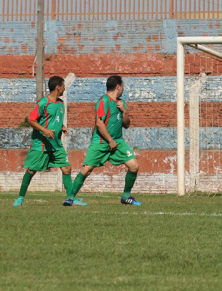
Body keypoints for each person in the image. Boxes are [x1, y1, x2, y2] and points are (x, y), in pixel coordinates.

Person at [67, 75, 141, 206]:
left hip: (118, 141)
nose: (123, 89)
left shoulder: (121, 103)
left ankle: (126, 196)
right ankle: (70, 198)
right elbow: (99, 124)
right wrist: (110, 140)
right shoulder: (103, 101)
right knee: (86, 169)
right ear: (118, 87)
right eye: (122, 86)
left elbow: (127, 125)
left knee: (134, 166)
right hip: (101, 141)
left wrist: (124, 111)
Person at [13, 76, 79, 206]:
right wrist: (45, 130)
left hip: (56, 145)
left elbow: (56, 120)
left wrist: (63, 127)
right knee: (31, 170)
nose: (64, 88)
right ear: (58, 87)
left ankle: (71, 199)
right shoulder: (43, 102)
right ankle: (20, 198)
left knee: (66, 168)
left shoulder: (60, 103)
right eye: (63, 85)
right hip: (41, 144)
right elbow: (31, 120)